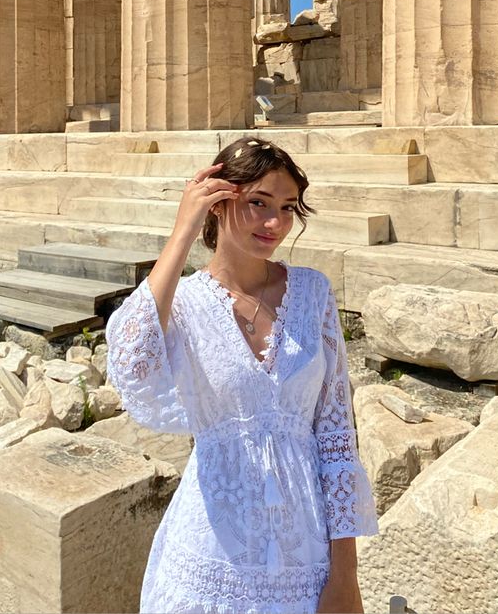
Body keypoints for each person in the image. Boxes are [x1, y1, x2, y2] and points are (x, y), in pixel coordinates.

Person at [106, 137, 378, 614]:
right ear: (218, 202)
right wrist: (182, 233)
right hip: (207, 558)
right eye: (258, 203)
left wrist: (345, 577)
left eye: (287, 207)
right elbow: (130, 362)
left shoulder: (313, 293)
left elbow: (336, 439)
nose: (275, 223)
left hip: (304, 556)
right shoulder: (184, 304)